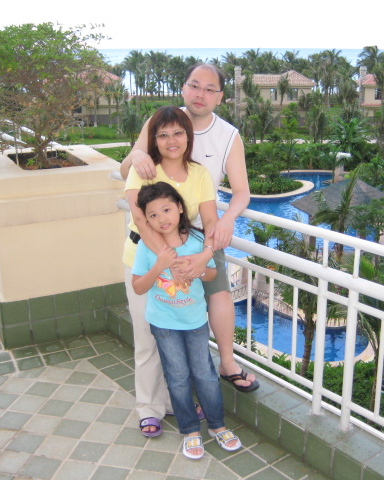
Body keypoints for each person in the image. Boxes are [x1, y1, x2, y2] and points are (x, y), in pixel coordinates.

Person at [120, 63, 260, 396]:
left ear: (220, 97)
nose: (201, 94)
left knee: (219, 293)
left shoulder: (228, 135)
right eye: (195, 86)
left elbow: (242, 191)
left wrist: (227, 221)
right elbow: (127, 169)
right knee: (161, 322)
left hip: (204, 230)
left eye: (210, 89)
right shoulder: (162, 121)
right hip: (157, 235)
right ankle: (169, 398)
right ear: (183, 88)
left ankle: (227, 363)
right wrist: (137, 154)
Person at [123, 106, 219, 437]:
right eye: (162, 135)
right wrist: (170, 259)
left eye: (177, 132)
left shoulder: (199, 174)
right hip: (145, 260)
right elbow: (140, 219)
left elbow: (211, 221)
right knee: (148, 339)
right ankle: (149, 408)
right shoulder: (144, 170)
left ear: (188, 136)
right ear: (154, 140)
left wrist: (203, 256)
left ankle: (175, 403)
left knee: (177, 336)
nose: (171, 140)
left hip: (188, 264)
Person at [132, 182, 242, 460]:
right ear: (146, 220)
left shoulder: (196, 240)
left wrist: (197, 269)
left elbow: (212, 274)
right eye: (153, 215)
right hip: (164, 325)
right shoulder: (147, 246)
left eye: (166, 209)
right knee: (178, 377)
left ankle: (217, 425)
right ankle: (190, 430)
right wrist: (159, 266)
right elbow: (138, 287)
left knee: (205, 375)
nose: (161, 219)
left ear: (180, 208)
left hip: (195, 323)